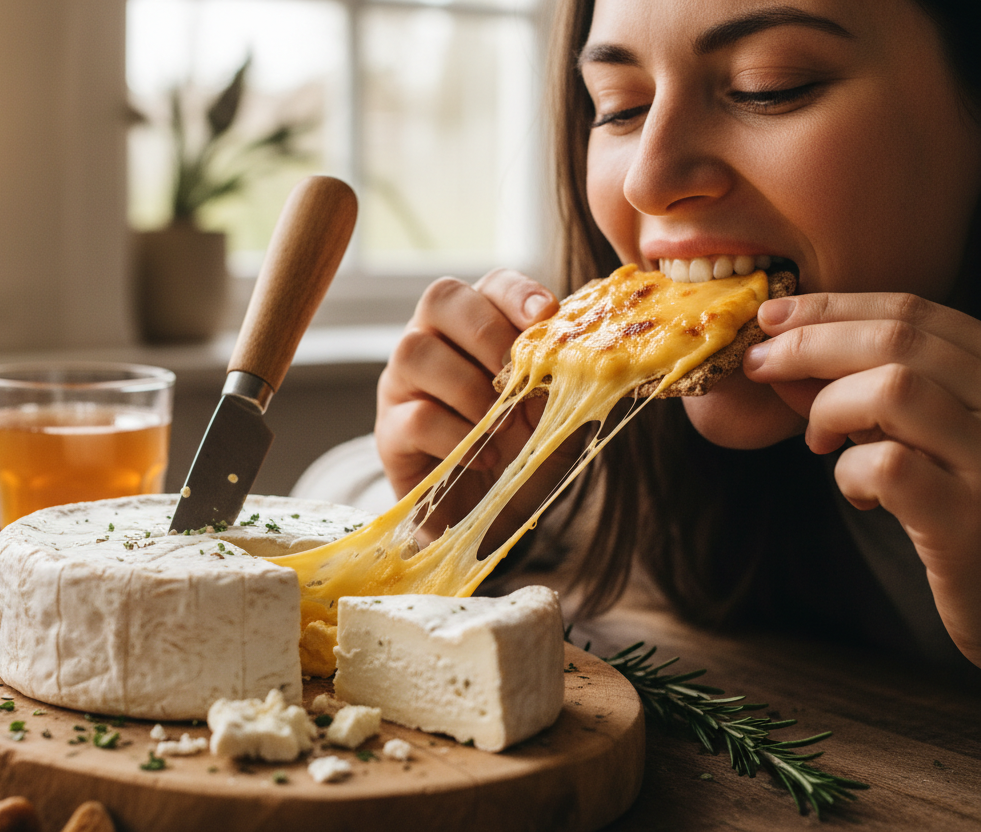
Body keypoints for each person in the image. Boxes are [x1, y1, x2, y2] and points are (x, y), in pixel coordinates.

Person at [374, 0, 981, 674]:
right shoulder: (613, 466)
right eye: (620, 107)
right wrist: (451, 520)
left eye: (769, 86)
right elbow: (346, 487)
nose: (648, 180)